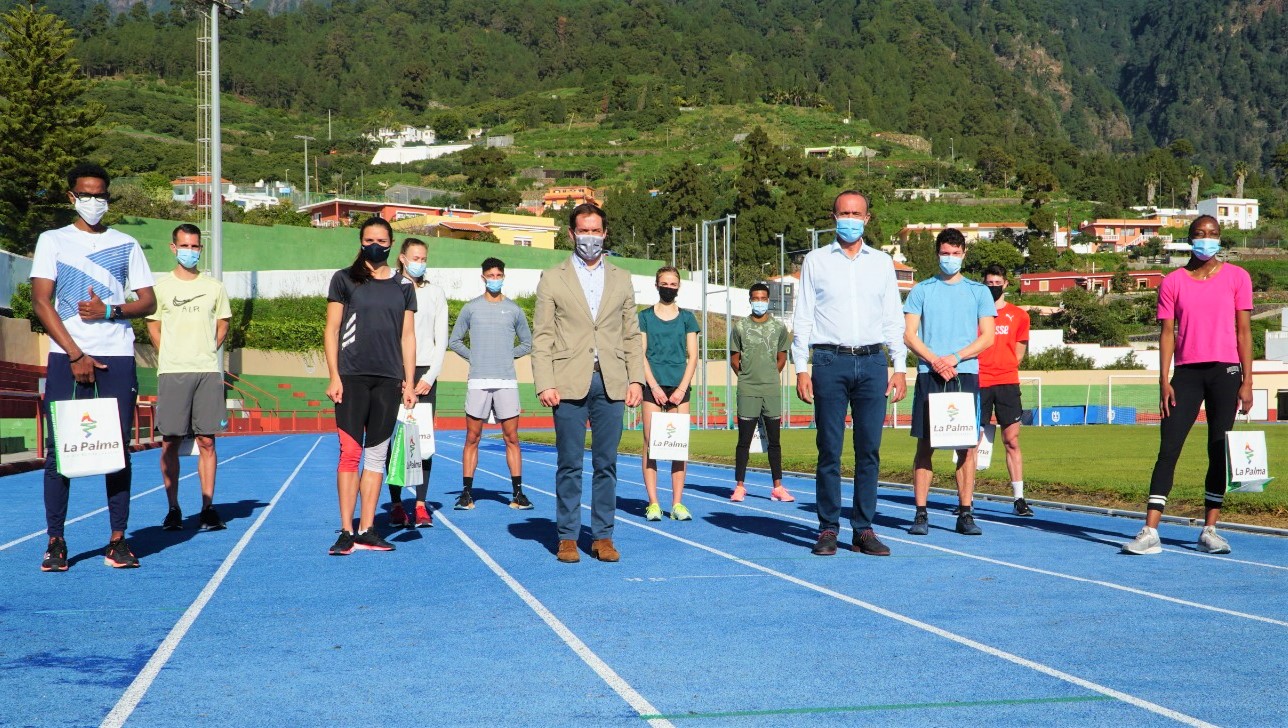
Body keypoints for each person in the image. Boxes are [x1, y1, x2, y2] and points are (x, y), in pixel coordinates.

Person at [32, 162, 156, 571]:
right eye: (86, 195)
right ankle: (56, 540)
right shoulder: (52, 241)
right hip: (67, 358)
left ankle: (118, 541)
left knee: (117, 450)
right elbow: (41, 302)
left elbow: (148, 301)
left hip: (117, 356)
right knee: (60, 453)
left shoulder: (126, 243)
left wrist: (110, 308)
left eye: (100, 195)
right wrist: (75, 354)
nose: (93, 202)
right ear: (72, 197)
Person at [1123, 215, 1252, 555]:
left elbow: (1243, 332)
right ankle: (1150, 531)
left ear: (1220, 238)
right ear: (1190, 238)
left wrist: (1248, 381)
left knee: (1217, 450)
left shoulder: (1238, 277)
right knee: (1169, 449)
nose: (1206, 239)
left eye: (1212, 234)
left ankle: (1210, 530)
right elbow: (1167, 333)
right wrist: (1164, 380)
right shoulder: (1173, 281)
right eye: (1199, 234)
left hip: (1226, 373)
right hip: (1186, 374)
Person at [793, 190, 907, 557]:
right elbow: (804, 317)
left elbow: (893, 317)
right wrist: (800, 367)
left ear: (868, 219)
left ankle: (863, 529)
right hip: (829, 360)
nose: (850, 219)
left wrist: (900, 367)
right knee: (829, 448)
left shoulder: (882, 263)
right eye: (844, 212)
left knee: (869, 450)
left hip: (873, 362)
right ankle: (828, 528)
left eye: (856, 213)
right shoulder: (815, 261)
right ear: (833, 216)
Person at [533, 202, 645, 563]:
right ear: (571, 233)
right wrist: (544, 382)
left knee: (606, 464)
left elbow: (631, 334)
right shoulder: (553, 277)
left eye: (596, 231)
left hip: (612, 380)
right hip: (567, 381)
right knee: (569, 462)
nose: (590, 238)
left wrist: (636, 380)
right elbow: (542, 336)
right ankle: (567, 535)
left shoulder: (622, 278)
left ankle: (602, 536)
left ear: (605, 233)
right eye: (584, 230)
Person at [323, 216, 417, 555]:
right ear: (361, 242)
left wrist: (408, 381)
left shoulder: (404, 286)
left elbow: (408, 336)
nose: (375, 245)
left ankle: (367, 528)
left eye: (381, 239)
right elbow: (332, 329)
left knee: (377, 455)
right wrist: (334, 375)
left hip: (389, 380)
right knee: (350, 453)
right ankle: (346, 530)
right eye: (368, 239)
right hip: (351, 377)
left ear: (391, 243)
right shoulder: (345, 279)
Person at [903, 228, 995, 537]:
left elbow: (987, 336)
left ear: (964, 254)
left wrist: (954, 358)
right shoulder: (922, 290)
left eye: (956, 254)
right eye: (945, 253)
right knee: (925, 444)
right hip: (931, 374)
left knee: (966, 446)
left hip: (964, 374)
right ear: (937, 253)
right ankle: (920, 513)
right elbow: (909, 335)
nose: (950, 259)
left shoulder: (978, 291)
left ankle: (966, 512)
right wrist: (935, 360)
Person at [146, 224, 232, 532]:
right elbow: (153, 326)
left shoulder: (214, 287)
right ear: (173, 248)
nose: (190, 251)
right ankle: (173, 508)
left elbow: (223, 322)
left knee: (207, 441)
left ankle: (208, 507)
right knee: (169, 441)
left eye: (196, 246)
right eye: (185, 246)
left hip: (207, 371)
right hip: (172, 371)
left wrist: (209, 348)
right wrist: (168, 353)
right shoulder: (161, 286)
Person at [448, 257, 534, 511]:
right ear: (483, 277)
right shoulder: (470, 308)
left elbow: (527, 343)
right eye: (490, 275)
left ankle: (518, 493)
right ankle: (466, 493)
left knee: (512, 438)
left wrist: (509, 355)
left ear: (504, 277)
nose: (495, 279)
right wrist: (473, 356)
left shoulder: (515, 309)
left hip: (506, 381)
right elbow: (455, 341)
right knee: (472, 437)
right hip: (478, 381)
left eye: (499, 275)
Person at [385, 238, 448, 529]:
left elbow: (441, 340)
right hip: (394, 374)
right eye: (415, 257)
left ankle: (421, 505)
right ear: (402, 258)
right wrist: (399, 378)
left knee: (423, 443)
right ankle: (397, 504)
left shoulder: (435, 293)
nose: (420, 262)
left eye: (424, 258)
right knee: (394, 441)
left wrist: (428, 378)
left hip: (425, 375)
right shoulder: (389, 289)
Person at [638, 266, 700, 521]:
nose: (669, 287)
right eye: (665, 283)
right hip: (652, 386)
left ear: (678, 287)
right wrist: (652, 385)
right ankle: (653, 503)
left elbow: (693, 356)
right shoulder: (643, 317)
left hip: (679, 387)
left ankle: (677, 503)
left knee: (678, 446)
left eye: (673, 284)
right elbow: (640, 354)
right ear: (656, 284)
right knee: (650, 443)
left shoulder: (687, 318)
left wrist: (682, 388)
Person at [978, 264, 1034, 517]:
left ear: (1006, 284)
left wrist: (1004, 367)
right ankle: (964, 498)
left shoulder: (1019, 316)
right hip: (978, 382)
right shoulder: (975, 313)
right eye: (989, 283)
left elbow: (1019, 352)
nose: (993, 287)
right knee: (970, 442)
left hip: (1007, 383)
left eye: (997, 283)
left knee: (1011, 440)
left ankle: (1019, 497)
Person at [730, 282, 793, 503]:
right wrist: (747, 377)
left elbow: (782, 357)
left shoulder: (778, 328)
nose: (759, 302)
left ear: (768, 300)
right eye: (755, 298)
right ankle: (739, 486)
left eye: (763, 298)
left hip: (771, 390)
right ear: (750, 300)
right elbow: (734, 358)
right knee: (744, 440)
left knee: (774, 441)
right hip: (747, 388)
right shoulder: (739, 327)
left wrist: (768, 376)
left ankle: (778, 487)